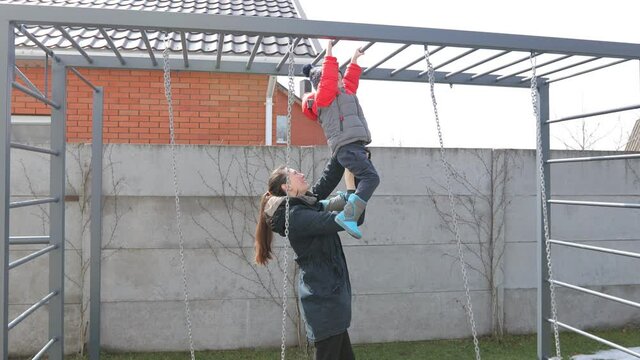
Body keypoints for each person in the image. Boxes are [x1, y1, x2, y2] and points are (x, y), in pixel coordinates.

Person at [254, 160, 363, 360]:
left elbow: (329, 178)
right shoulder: (296, 216)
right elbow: (348, 219)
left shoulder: (306, 204)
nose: (302, 174)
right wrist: (350, 187)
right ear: (287, 187)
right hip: (324, 303)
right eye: (295, 173)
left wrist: (343, 151)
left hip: (330, 300)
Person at [301, 40, 379, 239]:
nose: (340, 80)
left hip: (351, 146)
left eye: (340, 78)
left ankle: (316, 202)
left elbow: (350, 81)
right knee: (371, 178)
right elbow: (327, 76)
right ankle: (348, 216)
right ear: (323, 83)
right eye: (336, 77)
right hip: (347, 145)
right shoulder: (324, 97)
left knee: (329, 182)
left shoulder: (344, 92)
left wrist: (354, 59)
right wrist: (329, 50)